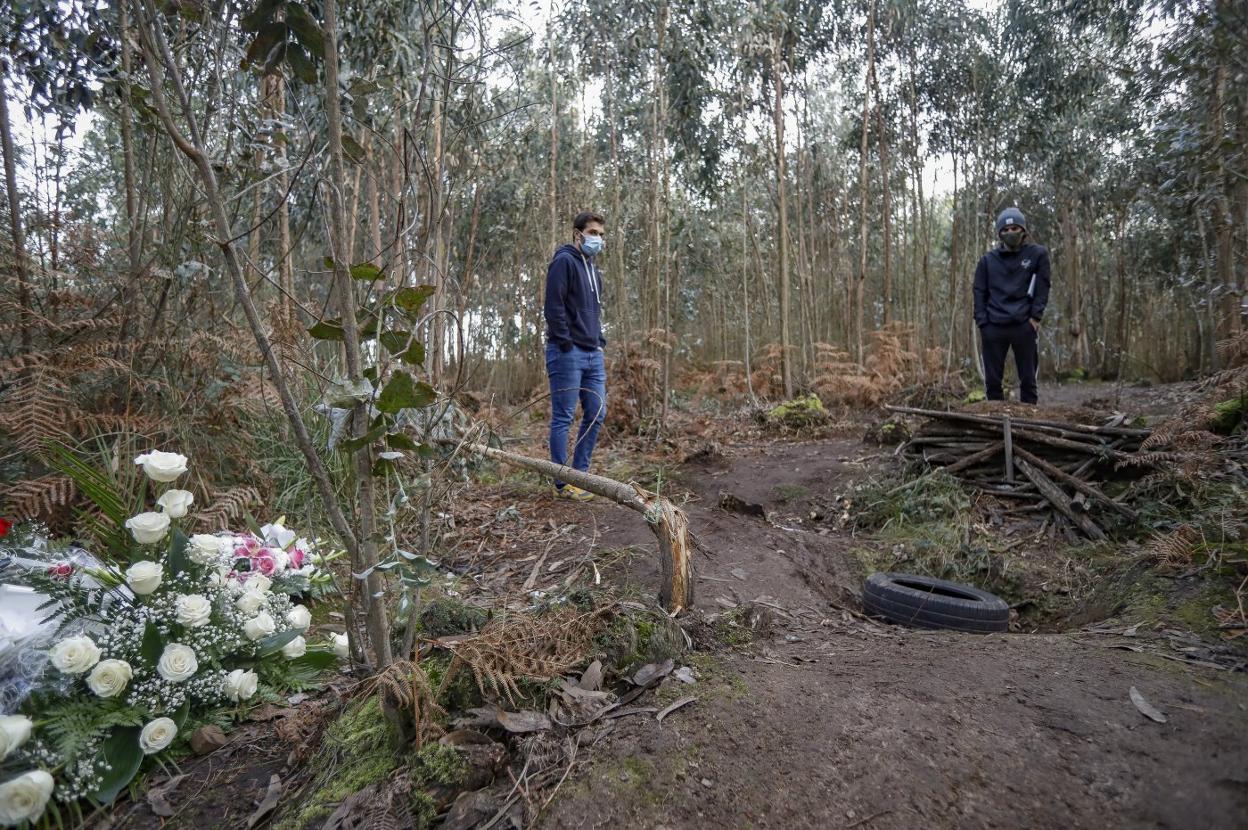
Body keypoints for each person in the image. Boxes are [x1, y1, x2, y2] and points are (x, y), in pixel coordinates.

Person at [544, 211, 608, 501]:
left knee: (597, 412)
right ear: (577, 233)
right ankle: (563, 482)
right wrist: (566, 343)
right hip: (566, 352)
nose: (598, 239)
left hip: (593, 353)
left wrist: (599, 341)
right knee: (564, 417)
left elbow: (594, 311)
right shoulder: (564, 261)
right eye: (593, 232)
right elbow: (553, 307)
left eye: (601, 235)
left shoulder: (594, 270)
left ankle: (580, 475)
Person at [973, 207, 1051, 404]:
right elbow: (979, 291)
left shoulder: (1037, 255)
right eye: (1005, 230)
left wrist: (1035, 318)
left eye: (1015, 228)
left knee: (1028, 380)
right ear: (999, 233)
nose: (1010, 233)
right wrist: (983, 323)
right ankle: (996, 424)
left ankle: (1029, 425)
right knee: (992, 382)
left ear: (1023, 231)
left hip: (1023, 325)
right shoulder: (987, 261)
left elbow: (1043, 287)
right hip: (993, 326)